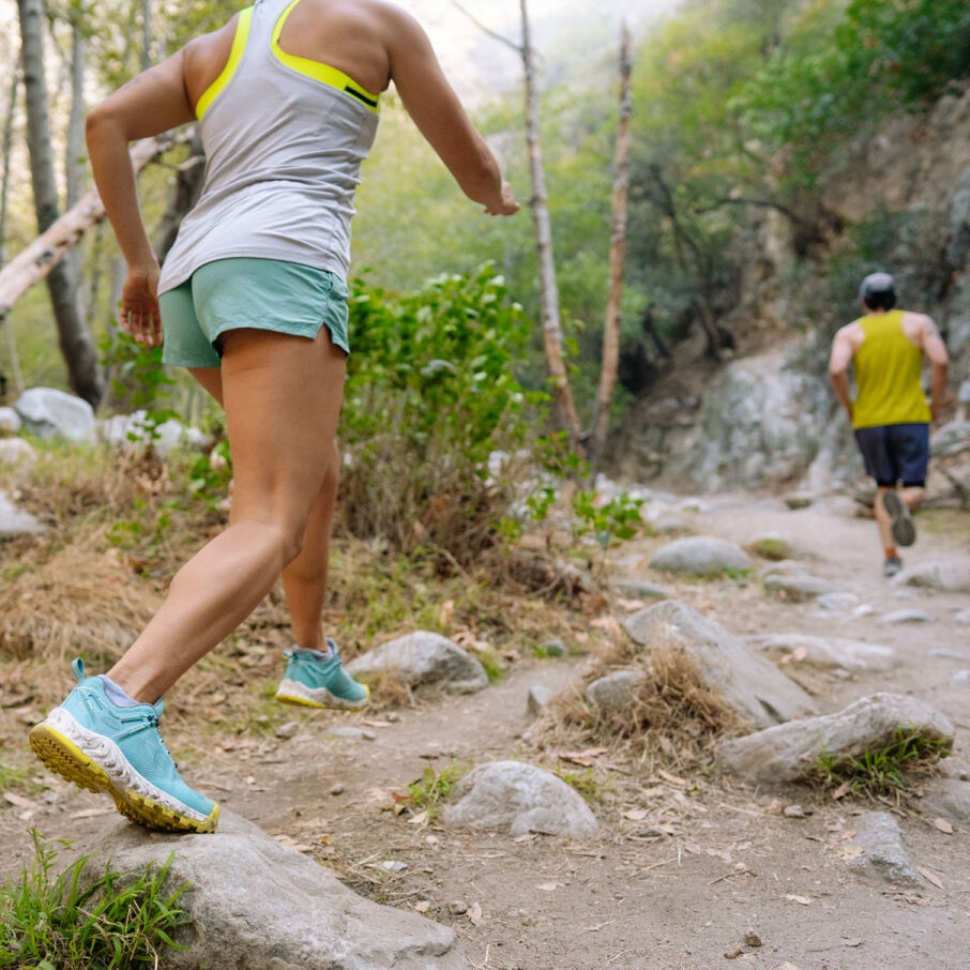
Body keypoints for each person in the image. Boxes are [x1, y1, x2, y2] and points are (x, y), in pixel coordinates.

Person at [29, 0, 519, 834]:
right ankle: (117, 702)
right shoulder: (379, 23)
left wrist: (140, 265)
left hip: (195, 278)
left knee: (313, 468)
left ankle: (311, 656)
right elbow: (472, 167)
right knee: (266, 517)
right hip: (281, 263)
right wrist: (498, 191)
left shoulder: (216, 45)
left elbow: (106, 120)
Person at [828, 272, 949, 578]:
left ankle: (891, 557)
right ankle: (905, 501)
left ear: (863, 302)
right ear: (895, 298)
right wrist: (935, 404)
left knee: (883, 488)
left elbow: (837, 369)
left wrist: (849, 406)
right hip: (911, 417)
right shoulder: (918, 324)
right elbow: (941, 361)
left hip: (869, 421)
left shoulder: (849, 333)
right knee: (915, 486)